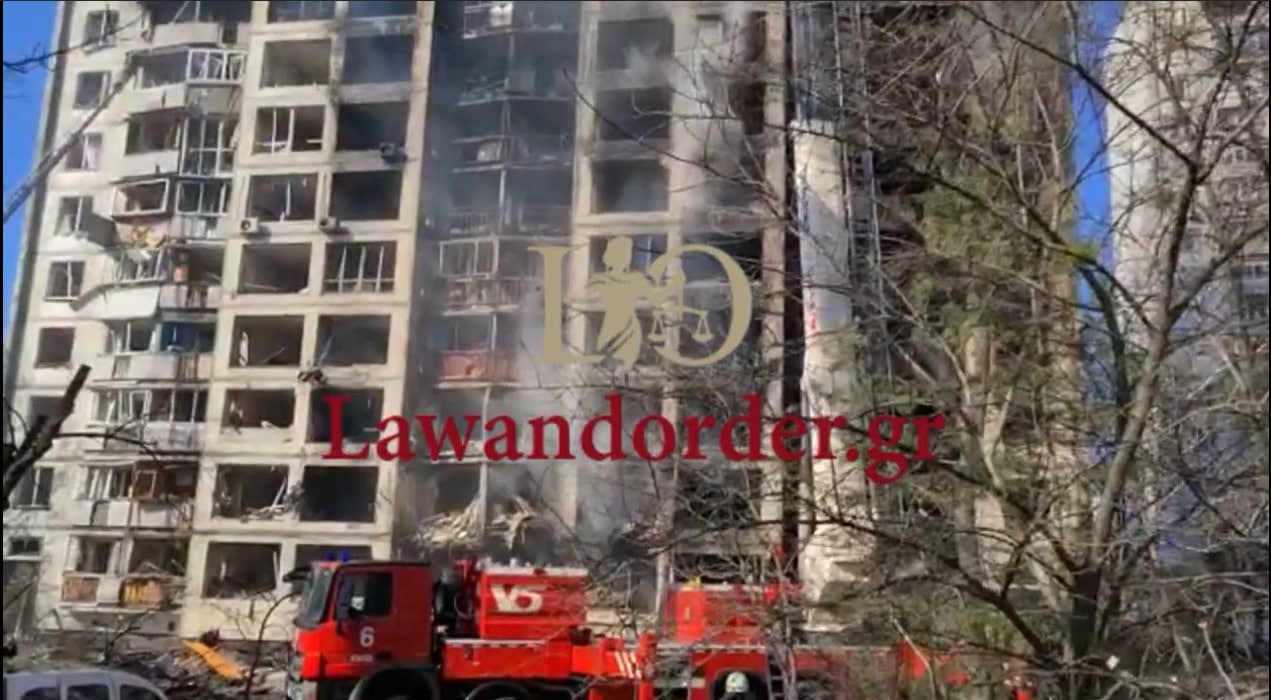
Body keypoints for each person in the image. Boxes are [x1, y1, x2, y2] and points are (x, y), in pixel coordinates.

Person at [585, 237, 676, 366]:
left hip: (630, 329)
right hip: (611, 327)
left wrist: (672, 288)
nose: (626, 258)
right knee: (607, 363)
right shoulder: (600, 280)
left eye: (627, 255)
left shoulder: (636, 279)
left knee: (625, 364)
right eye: (622, 254)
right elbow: (583, 299)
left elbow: (655, 298)